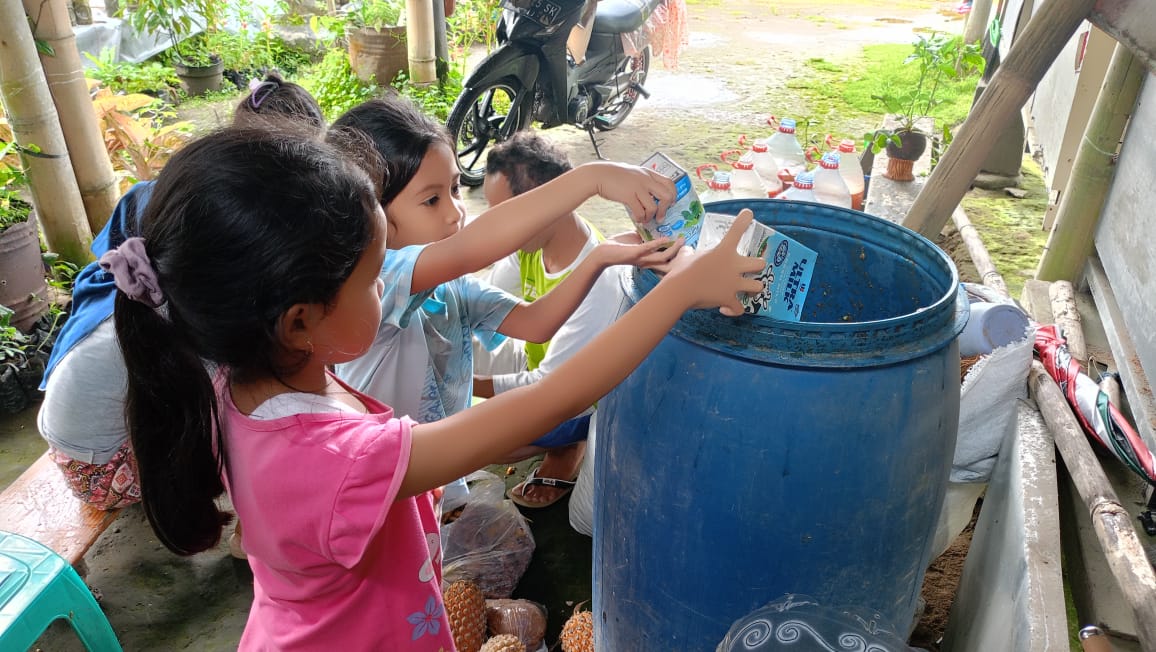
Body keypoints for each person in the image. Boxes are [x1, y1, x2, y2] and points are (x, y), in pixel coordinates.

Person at [102, 126, 763, 649]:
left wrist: (591, 179)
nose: (388, 282)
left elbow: (472, 250)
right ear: (301, 320)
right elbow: (554, 396)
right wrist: (680, 291)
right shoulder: (334, 459)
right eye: (371, 278)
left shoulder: (235, 367)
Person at [36, 73, 323, 518]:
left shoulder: (187, 215)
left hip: (84, 431)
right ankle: (255, 523)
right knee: (250, 392)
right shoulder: (195, 282)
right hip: (98, 466)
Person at [329, 96, 674, 441]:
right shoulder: (377, 283)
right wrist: (593, 178)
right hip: (385, 487)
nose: (456, 213)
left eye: (455, 188)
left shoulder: (453, 288)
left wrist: (599, 258)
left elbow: (536, 323)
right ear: (372, 215)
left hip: (436, 484)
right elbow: (469, 250)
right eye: (432, 200)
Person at [473, 131, 624, 508]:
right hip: (538, 363)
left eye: (505, 213)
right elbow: (482, 312)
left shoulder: (599, 278)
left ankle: (570, 444)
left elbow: (551, 387)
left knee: (485, 438)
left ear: (551, 203)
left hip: (575, 399)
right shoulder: (528, 244)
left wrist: (468, 383)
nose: (497, 226)